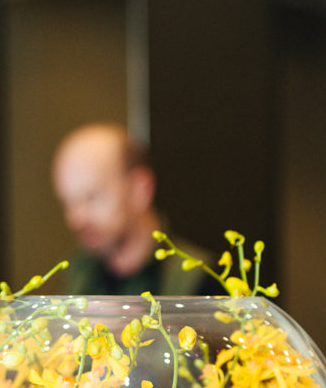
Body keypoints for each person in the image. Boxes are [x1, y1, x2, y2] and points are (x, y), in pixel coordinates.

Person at [51, 122, 222, 296]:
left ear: (140, 189)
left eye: (92, 198)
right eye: (68, 203)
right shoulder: (75, 276)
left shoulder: (198, 279)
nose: (75, 219)